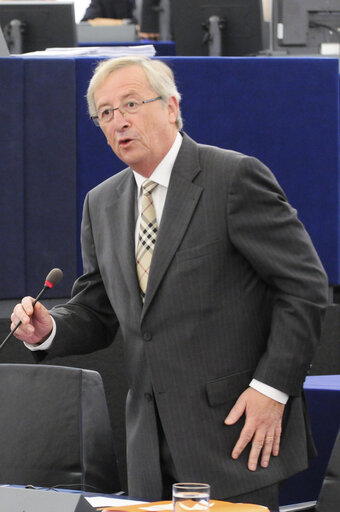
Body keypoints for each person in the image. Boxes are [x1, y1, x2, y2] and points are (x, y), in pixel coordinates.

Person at [10, 56, 328, 510]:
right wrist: (50, 328)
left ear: (172, 108)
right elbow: (99, 311)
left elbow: (304, 287)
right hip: (148, 452)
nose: (118, 121)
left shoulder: (233, 178)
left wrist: (271, 389)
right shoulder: (101, 203)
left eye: (131, 104)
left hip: (235, 435)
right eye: (105, 113)